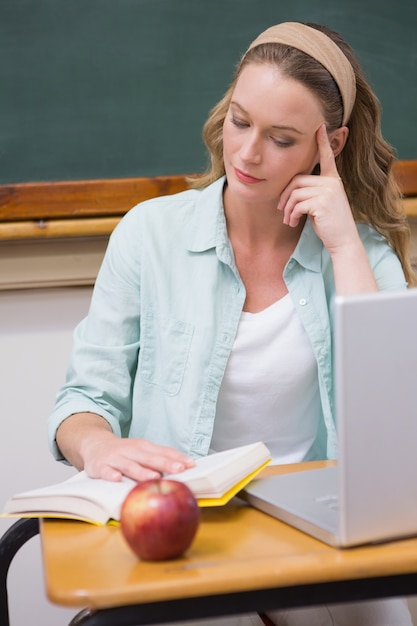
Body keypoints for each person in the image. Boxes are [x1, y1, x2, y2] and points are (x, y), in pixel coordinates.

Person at [48, 21, 416, 626]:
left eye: (282, 138)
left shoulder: (361, 253)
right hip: (188, 536)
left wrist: (347, 248)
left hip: (318, 536)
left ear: (332, 144)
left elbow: (395, 431)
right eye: (241, 121)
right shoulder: (151, 233)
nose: (246, 153)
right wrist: (99, 445)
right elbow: (83, 399)